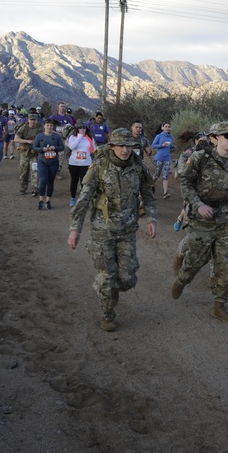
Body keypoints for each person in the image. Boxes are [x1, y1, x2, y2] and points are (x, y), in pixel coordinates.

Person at [68, 128, 157, 332]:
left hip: (127, 230)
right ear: (113, 146)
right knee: (107, 276)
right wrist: (75, 228)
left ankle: (112, 290)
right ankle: (108, 314)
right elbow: (84, 198)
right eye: (121, 146)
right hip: (102, 230)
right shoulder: (100, 165)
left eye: (129, 146)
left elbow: (148, 195)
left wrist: (151, 218)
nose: (125, 150)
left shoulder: (138, 167)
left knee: (126, 278)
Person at [171, 121, 228, 325]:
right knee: (197, 260)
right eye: (226, 135)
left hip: (224, 217)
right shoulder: (201, 157)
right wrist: (198, 205)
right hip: (201, 217)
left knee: (226, 264)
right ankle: (182, 280)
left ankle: (219, 306)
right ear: (215, 138)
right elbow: (185, 182)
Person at [174, 132, 207, 231]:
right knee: (188, 205)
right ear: (196, 141)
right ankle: (181, 219)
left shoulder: (210, 153)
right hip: (190, 185)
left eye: (207, 140)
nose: (205, 142)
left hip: (203, 186)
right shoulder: (189, 152)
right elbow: (181, 171)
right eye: (202, 140)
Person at [33, 119, 65, 210]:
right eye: (48, 125)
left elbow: (62, 147)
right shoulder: (40, 136)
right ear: (44, 126)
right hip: (42, 161)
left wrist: (55, 148)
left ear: (53, 127)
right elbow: (35, 147)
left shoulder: (57, 137)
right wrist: (42, 149)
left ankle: (48, 201)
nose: (49, 127)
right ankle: (40, 201)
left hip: (54, 162)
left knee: (50, 181)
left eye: (51, 125)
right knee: (43, 181)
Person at [66, 122, 95, 206]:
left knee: (84, 182)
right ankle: (72, 198)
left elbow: (93, 150)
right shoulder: (73, 137)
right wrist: (79, 137)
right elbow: (72, 146)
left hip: (85, 163)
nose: (82, 129)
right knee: (74, 181)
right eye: (80, 128)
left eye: (84, 128)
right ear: (77, 129)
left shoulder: (90, 138)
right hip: (74, 163)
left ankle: (82, 200)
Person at [13, 113, 41, 195]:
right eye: (31, 120)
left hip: (35, 153)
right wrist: (27, 141)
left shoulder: (40, 129)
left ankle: (34, 189)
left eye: (34, 120)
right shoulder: (23, 128)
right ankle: (23, 188)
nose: (33, 121)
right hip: (24, 152)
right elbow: (16, 139)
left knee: (35, 170)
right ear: (28, 120)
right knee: (24, 171)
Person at [151, 122, 174, 199]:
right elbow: (153, 145)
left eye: (169, 126)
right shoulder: (159, 136)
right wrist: (162, 145)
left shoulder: (170, 137)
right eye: (166, 126)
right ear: (162, 128)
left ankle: (165, 193)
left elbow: (170, 146)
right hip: (159, 158)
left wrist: (173, 147)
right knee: (157, 174)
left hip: (167, 158)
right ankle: (152, 185)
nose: (167, 128)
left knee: (165, 175)